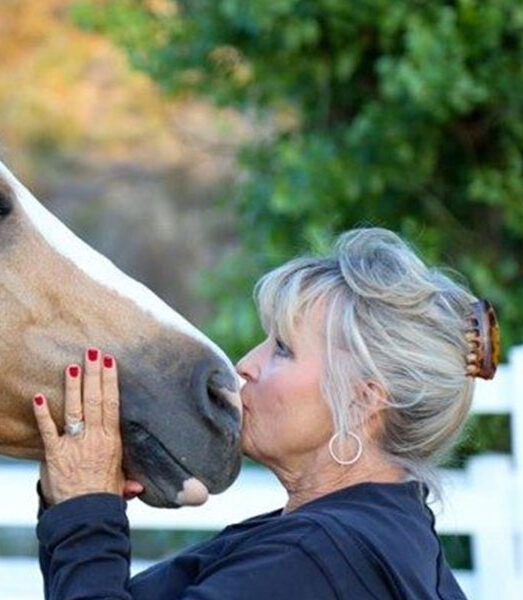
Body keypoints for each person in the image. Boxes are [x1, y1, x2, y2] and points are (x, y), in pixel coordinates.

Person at [31, 227, 497, 599]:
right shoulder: (372, 539)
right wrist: (76, 504)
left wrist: (87, 516)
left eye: (284, 350)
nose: (245, 366)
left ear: (362, 400)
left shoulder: (313, 559)